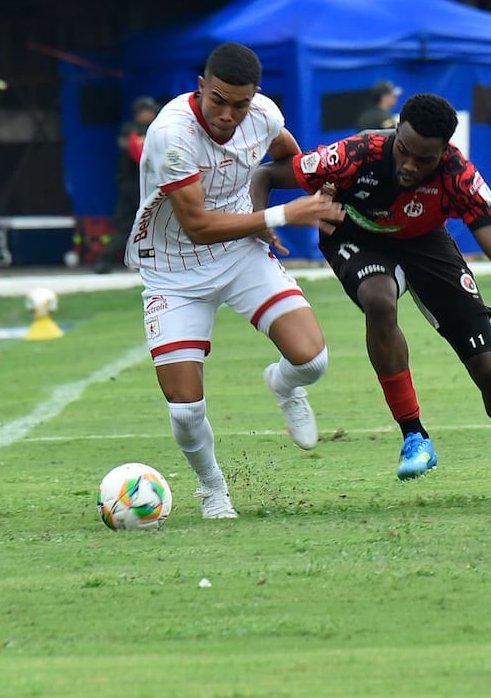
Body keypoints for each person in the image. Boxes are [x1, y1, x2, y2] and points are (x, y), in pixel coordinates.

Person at [251, 93, 491, 505]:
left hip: (426, 244)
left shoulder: (460, 177)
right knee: (379, 299)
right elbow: (266, 176)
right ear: (396, 131)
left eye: (424, 159)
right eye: (404, 151)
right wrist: (259, 223)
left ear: (445, 152)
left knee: (490, 370)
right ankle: (414, 434)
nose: (410, 166)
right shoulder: (354, 154)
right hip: (355, 235)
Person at [128, 42, 341, 520]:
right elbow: (197, 226)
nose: (227, 114)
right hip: (174, 271)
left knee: (313, 360)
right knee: (185, 409)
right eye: (217, 100)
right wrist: (283, 214)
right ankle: (213, 490)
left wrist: (262, 203)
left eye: (239, 104)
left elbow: (287, 156)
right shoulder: (170, 136)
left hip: (240, 254)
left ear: (255, 98)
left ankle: (284, 386)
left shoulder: (263, 115)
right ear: (200, 87)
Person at [95, 95, 158, 274]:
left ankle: (142, 262)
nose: (152, 114)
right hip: (134, 186)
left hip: (145, 186)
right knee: (128, 225)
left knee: (149, 226)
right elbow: (140, 156)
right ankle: (105, 260)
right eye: (149, 111)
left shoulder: (151, 130)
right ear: (141, 113)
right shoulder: (131, 131)